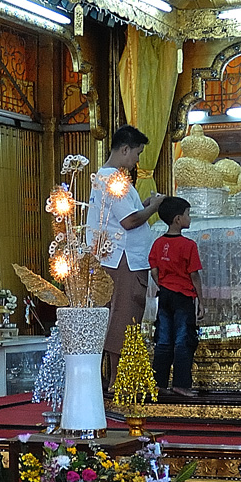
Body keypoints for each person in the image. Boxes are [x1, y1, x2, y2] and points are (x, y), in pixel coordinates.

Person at [87, 125, 165, 386]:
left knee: (121, 316)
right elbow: (129, 222)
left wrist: (142, 206)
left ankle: (114, 380)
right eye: (137, 154)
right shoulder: (113, 180)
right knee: (123, 316)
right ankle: (116, 381)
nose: (137, 161)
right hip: (123, 260)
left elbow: (127, 214)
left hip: (118, 258)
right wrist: (153, 207)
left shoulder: (111, 179)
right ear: (124, 149)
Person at [149, 196, 204, 396]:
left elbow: (154, 271)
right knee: (183, 339)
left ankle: (159, 383)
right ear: (178, 219)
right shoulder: (188, 245)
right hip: (183, 297)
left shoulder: (158, 243)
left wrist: (164, 285)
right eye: (188, 214)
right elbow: (194, 275)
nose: (190, 218)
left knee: (163, 339)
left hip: (164, 295)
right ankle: (181, 384)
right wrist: (201, 301)